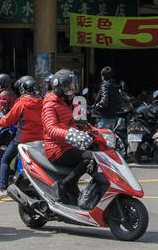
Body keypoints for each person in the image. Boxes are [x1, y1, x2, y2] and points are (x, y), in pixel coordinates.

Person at [40, 69, 108, 210]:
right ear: (58, 87)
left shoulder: (71, 102)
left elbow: (81, 124)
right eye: (67, 86)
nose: (71, 89)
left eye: (72, 86)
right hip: (57, 148)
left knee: (101, 154)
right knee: (90, 158)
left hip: (71, 144)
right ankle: (65, 185)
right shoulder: (50, 104)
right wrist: (70, 134)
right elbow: (51, 128)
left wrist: (99, 133)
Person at [0, 75, 43, 200]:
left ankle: (3, 188)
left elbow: (9, 119)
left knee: (5, 159)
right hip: (41, 140)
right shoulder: (43, 102)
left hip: (23, 139)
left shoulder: (22, 102)